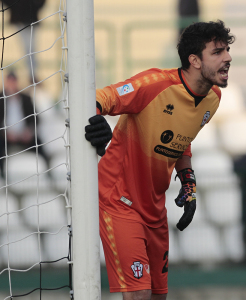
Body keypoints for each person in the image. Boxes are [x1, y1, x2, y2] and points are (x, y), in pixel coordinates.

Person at [85, 20, 234, 300]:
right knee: (139, 294)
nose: (227, 58)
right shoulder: (153, 85)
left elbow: (183, 139)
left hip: (154, 208)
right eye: (217, 52)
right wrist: (98, 122)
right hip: (118, 200)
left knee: (157, 296)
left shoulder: (213, 98)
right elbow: (99, 98)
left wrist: (188, 183)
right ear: (195, 61)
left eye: (226, 50)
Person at [0, 71, 51, 178]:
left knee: (39, 142)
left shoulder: (25, 98)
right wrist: (5, 133)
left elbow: (36, 118)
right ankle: (3, 176)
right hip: (6, 137)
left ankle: (48, 173)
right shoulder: (1, 99)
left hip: (24, 135)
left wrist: (29, 131)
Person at [1, 0, 46, 81]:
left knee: (30, 50)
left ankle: (32, 76)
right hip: (17, 20)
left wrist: (35, 6)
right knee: (20, 50)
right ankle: (18, 78)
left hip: (31, 20)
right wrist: (15, 7)